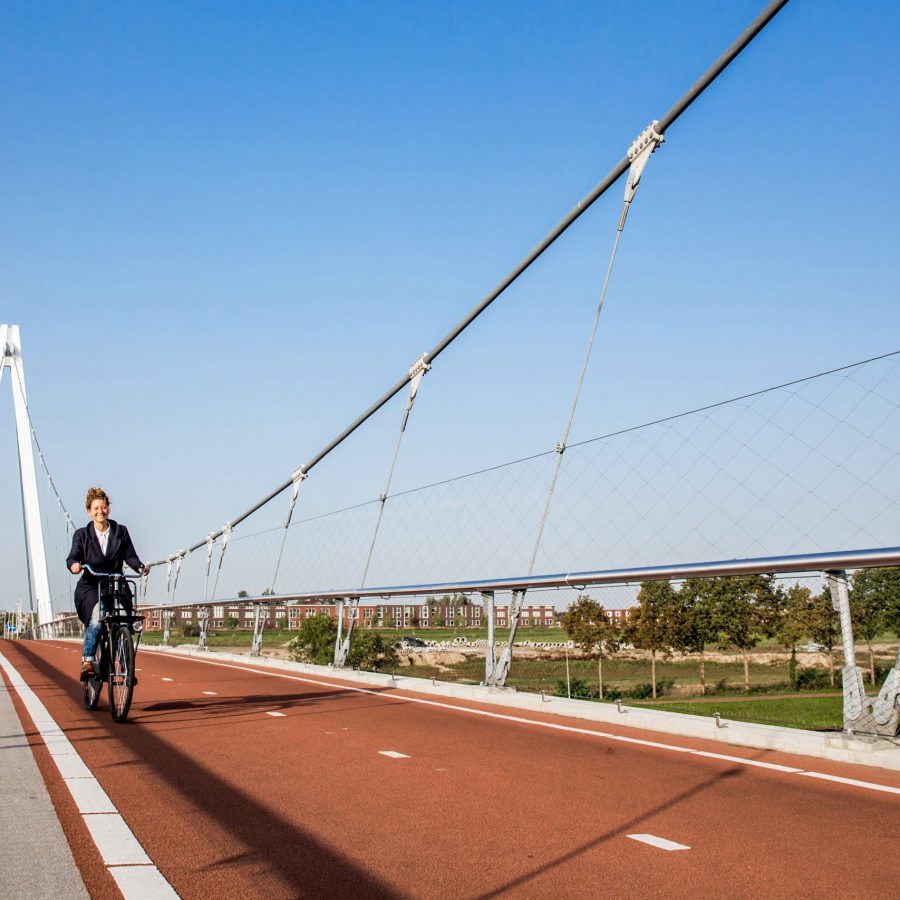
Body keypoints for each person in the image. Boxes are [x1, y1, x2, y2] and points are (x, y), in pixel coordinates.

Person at [66, 487, 148, 680]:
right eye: (96, 508)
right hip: (91, 586)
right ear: (89, 511)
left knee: (125, 620)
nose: (100, 512)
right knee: (97, 617)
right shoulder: (81, 535)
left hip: (116, 584)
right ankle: (88, 661)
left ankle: (127, 667)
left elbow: (130, 556)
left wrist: (140, 567)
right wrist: (74, 565)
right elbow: (72, 557)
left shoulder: (121, 531)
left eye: (103, 507)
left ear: (108, 508)